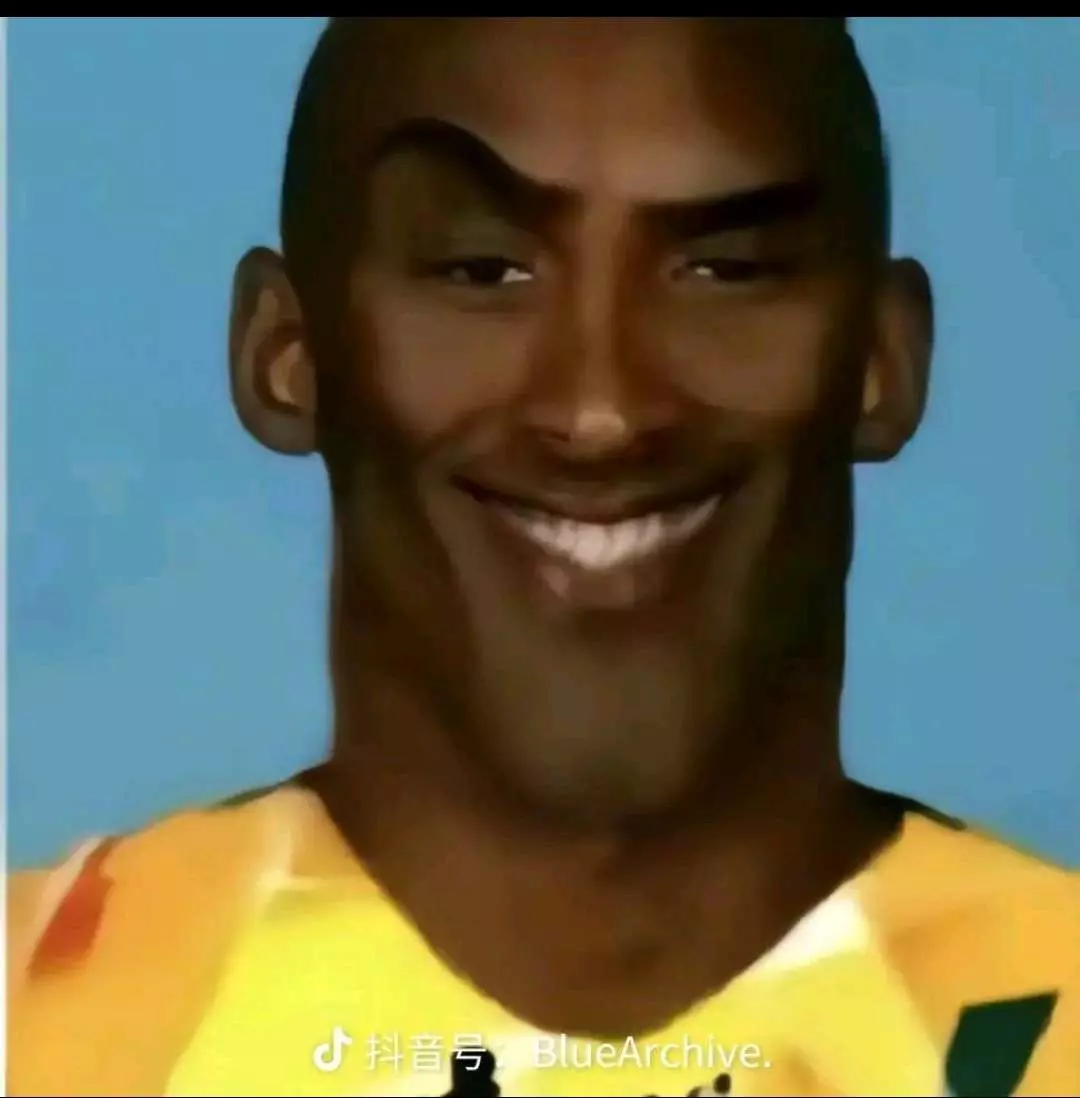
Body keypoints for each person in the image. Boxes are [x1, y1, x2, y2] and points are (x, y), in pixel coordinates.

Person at [8, 17, 1079, 1098]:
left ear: (884, 359)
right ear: (286, 352)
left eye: (724, 270)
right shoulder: (35, 1027)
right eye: (484, 271)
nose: (601, 411)